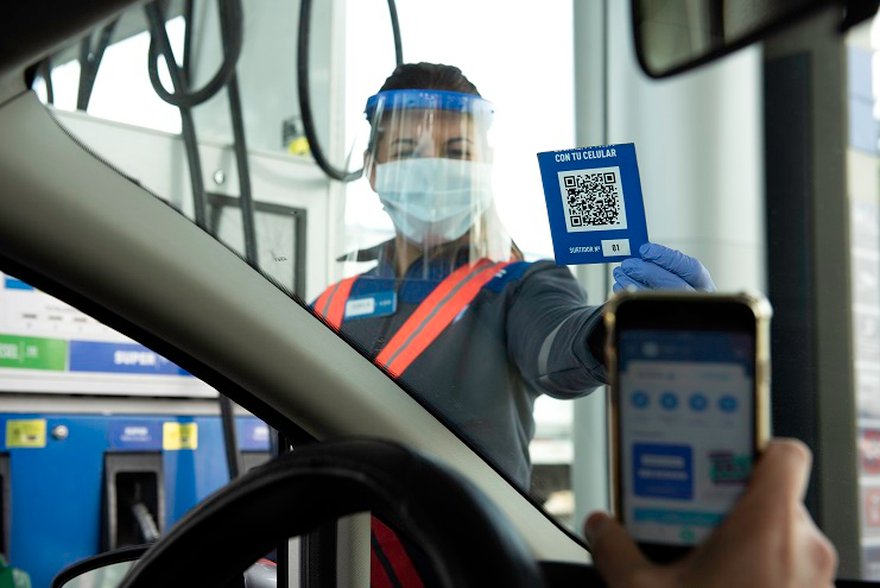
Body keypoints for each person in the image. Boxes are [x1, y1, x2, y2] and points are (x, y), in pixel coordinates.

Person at [314, 62, 712, 491]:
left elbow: (559, 342)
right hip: (336, 536)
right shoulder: (330, 305)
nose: (431, 168)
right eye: (407, 150)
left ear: (482, 169)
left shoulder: (518, 287)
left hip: (459, 537)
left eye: (456, 152)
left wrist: (626, 327)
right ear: (373, 170)